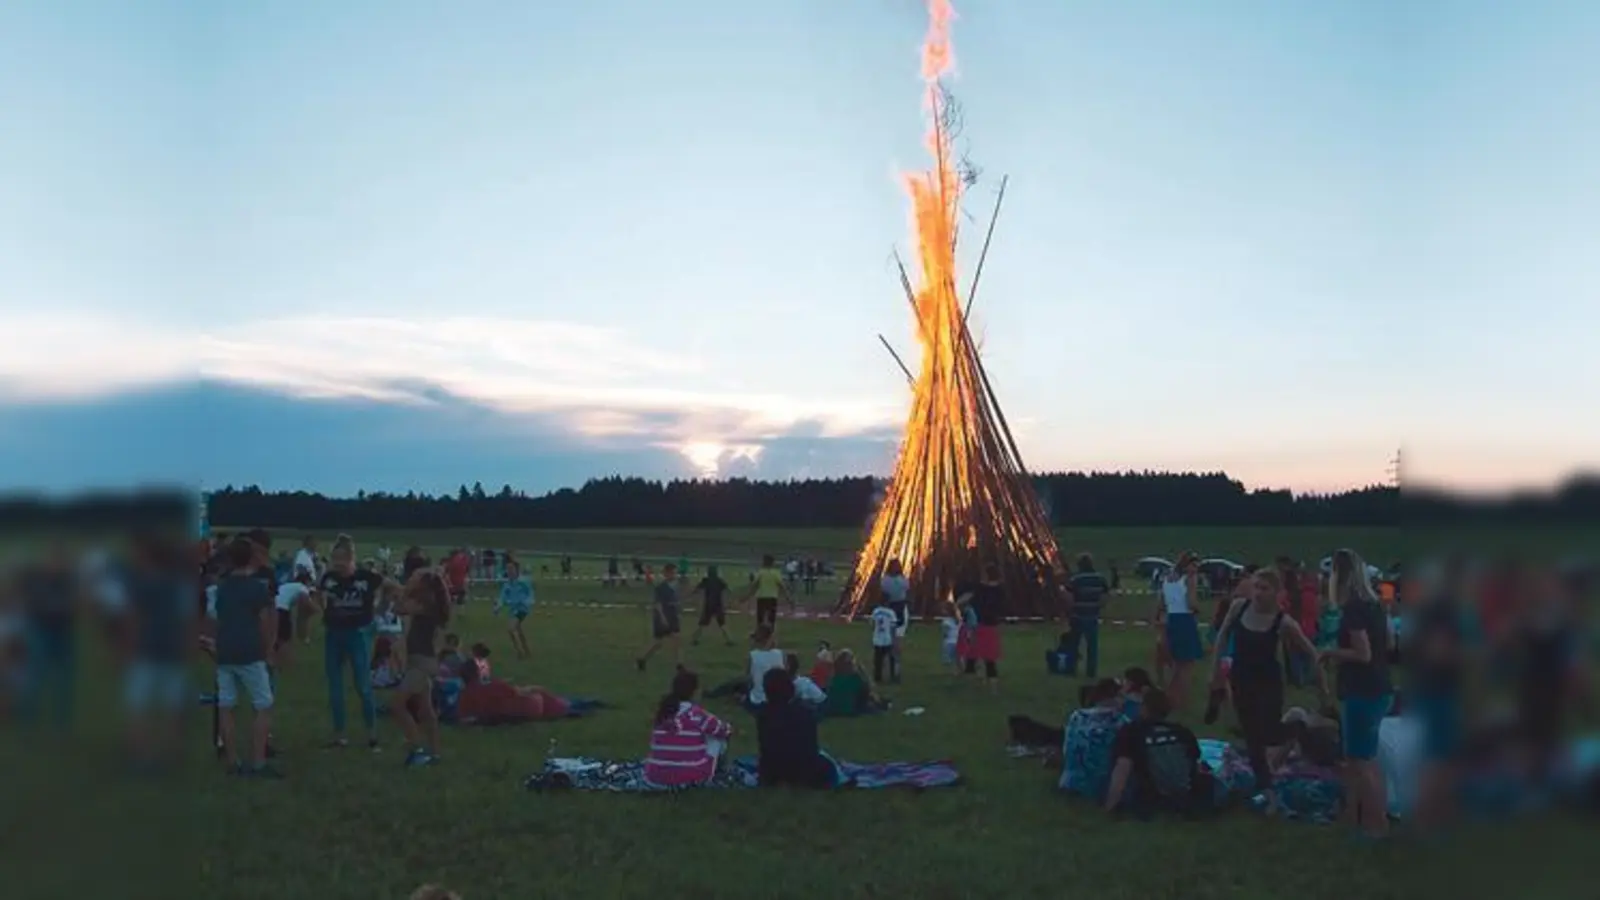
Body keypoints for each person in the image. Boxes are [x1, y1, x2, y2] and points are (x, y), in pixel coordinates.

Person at [1209, 568, 1326, 813]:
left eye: (1264, 588)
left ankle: (1299, 725)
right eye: (1256, 587)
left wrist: (1322, 685)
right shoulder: (1239, 607)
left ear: (1276, 592)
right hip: (1241, 680)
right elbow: (1221, 637)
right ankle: (1267, 791)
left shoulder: (1283, 621)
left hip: (1268, 683)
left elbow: (1311, 652)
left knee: (1268, 733)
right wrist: (1216, 674)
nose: (1258, 593)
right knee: (1252, 738)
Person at [1318, 548, 1392, 839]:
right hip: (1380, 687)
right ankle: (1366, 818)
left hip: (1362, 691)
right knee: (1368, 760)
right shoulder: (1375, 605)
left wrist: (1329, 653)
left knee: (1361, 763)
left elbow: (1362, 653)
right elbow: (1387, 642)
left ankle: (1375, 827)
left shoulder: (1353, 610)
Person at [315, 534, 400, 751]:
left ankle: (372, 735)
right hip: (334, 632)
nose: (338, 565)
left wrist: (380, 609)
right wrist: (324, 609)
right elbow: (318, 592)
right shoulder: (329, 578)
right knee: (335, 686)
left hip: (358, 633)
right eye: (335, 560)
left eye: (342, 560)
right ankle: (339, 735)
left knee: (363, 684)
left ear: (352, 559)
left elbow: (392, 587)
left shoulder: (366, 577)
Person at [121, 531, 193, 771]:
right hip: (172, 650)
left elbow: (133, 619)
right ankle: (170, 754)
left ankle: (140, 756)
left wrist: (127, 648)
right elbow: (186, 619)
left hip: (145, 649)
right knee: (171, 706)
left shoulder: (139, 585)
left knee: (139, 706)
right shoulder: (178, 585)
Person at [211, 537, 281, 777]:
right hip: (249, 652)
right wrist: (269, 649)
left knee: (227, 705)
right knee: (263, 704)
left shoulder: (222, 586)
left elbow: (217, 618)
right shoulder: (256, 588)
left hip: (225, 650)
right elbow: (263, 621)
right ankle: (259, 761)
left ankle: (232, 760)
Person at [1104, 688, 1212, 817]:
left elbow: (1122, 768)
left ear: (1144, 708)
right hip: (1185, 797)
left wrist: (1110, 806)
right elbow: (1194, 763)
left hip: (1150, 798)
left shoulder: (1132, 731)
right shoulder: (1181, 731)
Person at [391, 570, 450, 767]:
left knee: (398, 705)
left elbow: (401, 608)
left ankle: (415, 747)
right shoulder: (430, 603)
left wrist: (397, 588)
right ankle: (435, 753)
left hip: (422, 663)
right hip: (422, 662)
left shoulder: (426, 602)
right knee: (426, 709)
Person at [643, 667, 733, 788]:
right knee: (716, 738)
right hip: (691, 777)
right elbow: (725, 731)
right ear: (694, 692)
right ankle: (721, 772)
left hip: (654, 777)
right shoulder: (698, 715)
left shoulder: (663, 713)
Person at [755, 668, 837, 788]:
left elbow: (766, 750)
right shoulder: (805, 712)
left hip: (775, 773)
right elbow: (811, 748)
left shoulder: (764, 716)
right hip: (804, 772)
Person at [1156, 552, 1204, 714]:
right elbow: (1191, 603)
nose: (1196, 569)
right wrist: (1198, 608)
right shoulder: (1189, 579)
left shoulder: (1167, 579)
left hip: (1171, 620)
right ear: (1187, 565)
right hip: (1185, 621)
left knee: (1176, 665)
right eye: (1194, 565)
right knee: (1186, 666)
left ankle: (1170, 698)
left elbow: (1161, 603)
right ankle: (1181, 701)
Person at [956, 563, 1005, 691]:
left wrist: (961, 608)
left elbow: (962, 601)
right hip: (992, 627)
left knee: (971, 657)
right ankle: (993, 688)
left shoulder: (979, 589)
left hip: (978, 626)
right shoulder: (1000, 591)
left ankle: (969, 688)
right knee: (990, 660)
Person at [1063, 554, 1111, 678]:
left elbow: (1068, 596)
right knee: (1092, 646)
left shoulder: (1075, 579)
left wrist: (1072, 609)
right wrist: (1099, 606)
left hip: (1078, 615)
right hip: (1093, 616)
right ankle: (1091, 672)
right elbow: (1106, 596)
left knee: (1074, 643)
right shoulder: (1100, 578)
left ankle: (1071, 669)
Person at [636, 564, 683, 671]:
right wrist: (662, 618)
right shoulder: (661, 588)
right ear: (667, 573)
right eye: (673, 573)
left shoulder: (675, 586)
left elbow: (677, 600)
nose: (675, 575)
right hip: (663, 616)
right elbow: (658, 604)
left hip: (672, 615)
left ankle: (679, 664)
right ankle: (642, 658)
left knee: (677, 639)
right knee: (658, 643)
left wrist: (679, 610)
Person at [494, 559, 534, 660]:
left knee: (511, 629)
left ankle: (519, 652)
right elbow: (502, 597)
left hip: (522, 609)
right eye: (507, 569)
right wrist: (498, 607)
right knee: (518, 630)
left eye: (511, 568)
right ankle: (526, 650)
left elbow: (530, 594)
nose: (509, 571)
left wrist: (527, 602)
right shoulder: (507, 584)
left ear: (517, 569)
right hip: (513, 610)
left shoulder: (523, 581)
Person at [687, 564, 733, 647]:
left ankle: (695, 640)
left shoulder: (706, 580)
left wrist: (691, 595)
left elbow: (697, 589)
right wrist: (730, 600)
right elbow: (727, 589)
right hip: (718, 605)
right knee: (722, 624)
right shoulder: (719, 581)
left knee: (702, 624)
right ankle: (729, 640)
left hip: (708, 605)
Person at [881, 559, 910, 683]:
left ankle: (888, 668)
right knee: (897, 642)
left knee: (889, 641)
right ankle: (895, 670)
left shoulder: (885, 580)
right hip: (900, 609)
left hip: (890, 608)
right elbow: (907, 588)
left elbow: (884, 591)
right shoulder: (902, 580)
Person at [743, 625, 786, 711]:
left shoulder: (753, 655)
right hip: (779, 699)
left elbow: (748, 678)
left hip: (758, 701)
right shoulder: (780, 653)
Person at [745, 555, 790, 630]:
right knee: (771, 619)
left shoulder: (761, 572)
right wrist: (788, 598)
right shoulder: (776, 573)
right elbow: (782, 586)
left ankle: (760, 635)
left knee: (760, 619)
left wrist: (748, 596)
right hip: (772, 598)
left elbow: (754, 586)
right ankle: (770, 637)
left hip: (762, 597)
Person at [868, 597, 899, 684]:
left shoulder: (876, 611)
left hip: (877, 639)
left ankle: (877, 677)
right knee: (891, 659)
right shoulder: (891, 613)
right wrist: (895, 640)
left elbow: (872, 624)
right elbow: (893, 628)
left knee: (878, 660)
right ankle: (893, 676)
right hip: (887, 639)